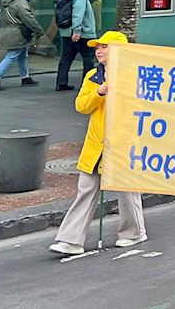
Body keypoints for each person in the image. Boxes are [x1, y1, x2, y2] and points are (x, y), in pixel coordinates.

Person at [49, 31, 146, 255]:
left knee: (127, 191)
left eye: (104, 47)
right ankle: (70, 240)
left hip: (123, 144)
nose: (99, 51)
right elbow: (81, 106)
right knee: (86, 189)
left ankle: (133, 233)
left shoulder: (135, 76)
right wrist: (99, 93)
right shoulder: (93, 76)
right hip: (96, 144)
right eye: (98, 47)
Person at [0, 0, 44, 89]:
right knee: (12, 55)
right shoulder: (20, 2)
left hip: (8, 31)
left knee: (22, 55)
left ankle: (25, 77)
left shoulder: (6, 1)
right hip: (18, 33)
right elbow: (28, 18)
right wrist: (39, 30)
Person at [54, 0, 97, 91]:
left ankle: (61, 82)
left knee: (66, 58)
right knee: (88, 59)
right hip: (83, 34)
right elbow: (78, 15)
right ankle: (87, 84)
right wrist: (76, 30)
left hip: (67, 33)